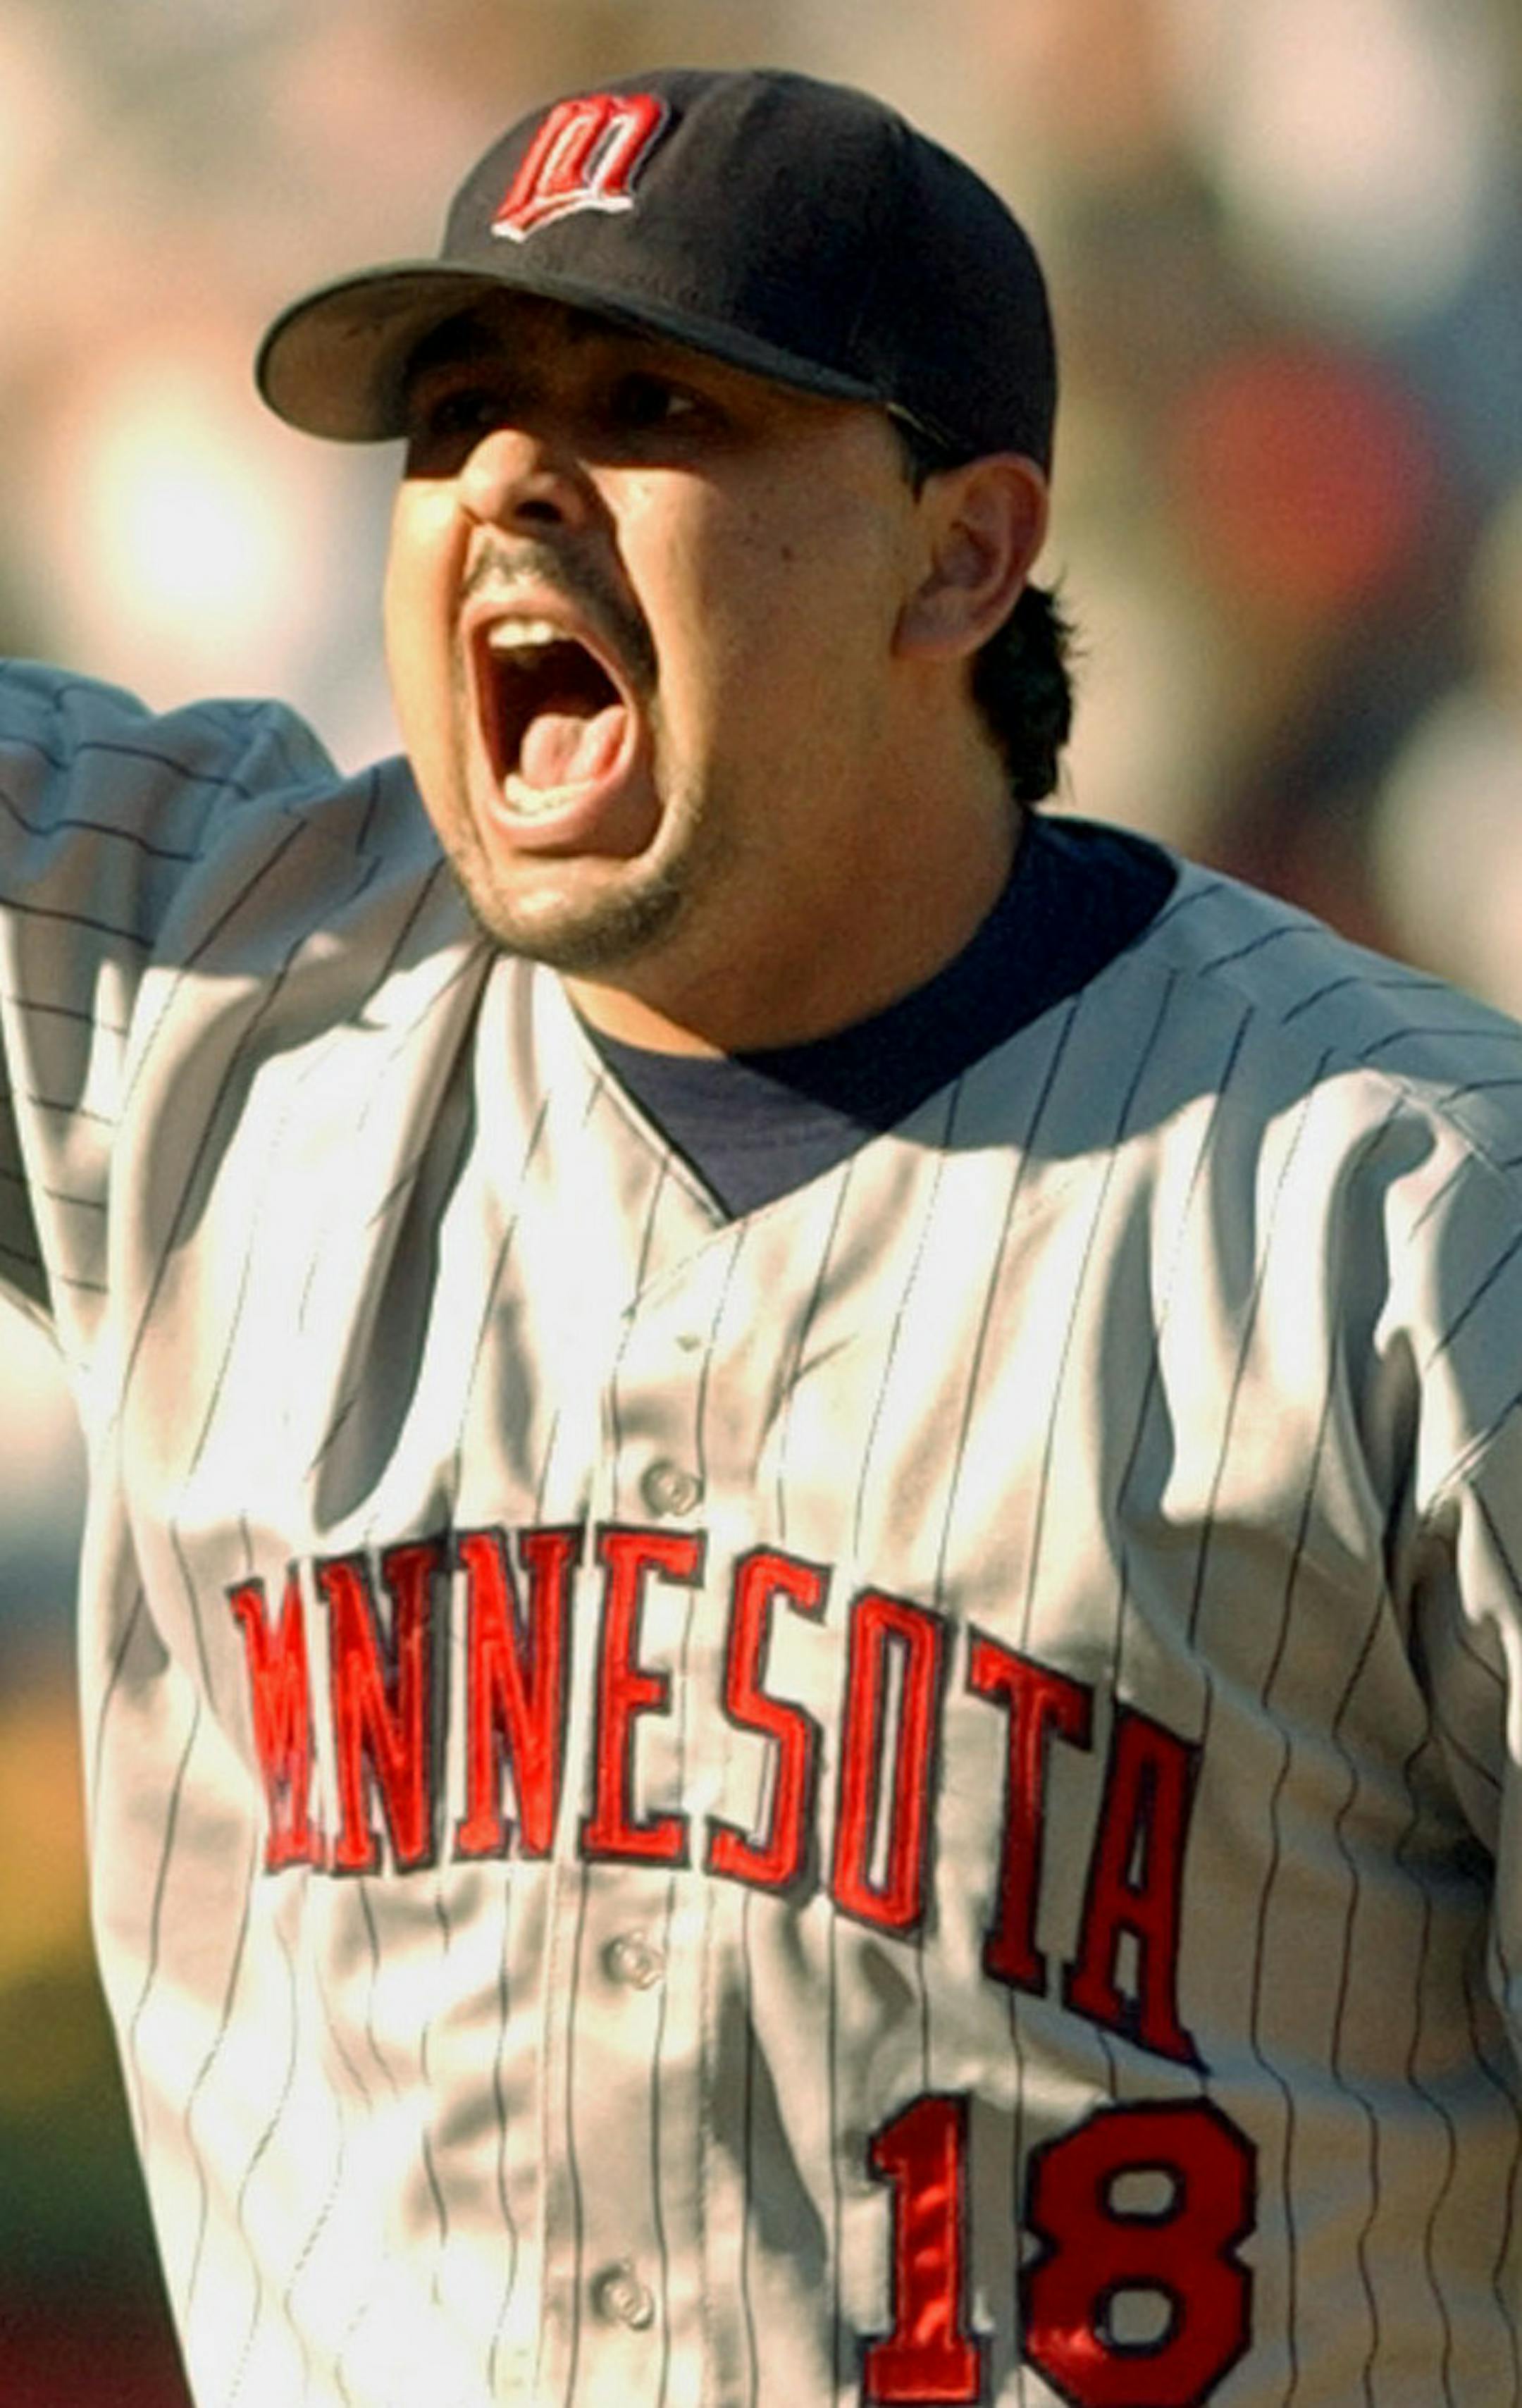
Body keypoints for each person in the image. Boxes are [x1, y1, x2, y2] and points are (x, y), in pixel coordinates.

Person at [4, 61, 1522, 2408]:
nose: (513, 472)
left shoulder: (1403, 1221)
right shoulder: (204, 983)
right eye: (458, 410)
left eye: (653, 400)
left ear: (963, 553)